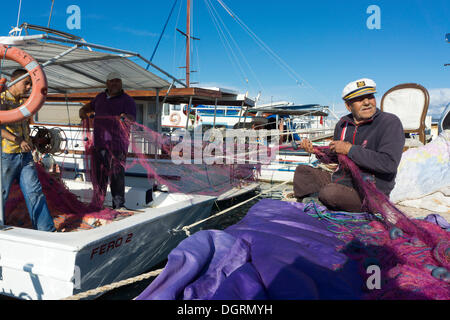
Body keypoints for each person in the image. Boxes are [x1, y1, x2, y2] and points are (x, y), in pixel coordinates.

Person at [293, 78, 405, 212]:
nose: (367, 102)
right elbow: (336, 157)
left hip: (370, 192)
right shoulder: (342, 124)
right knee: (302, 172)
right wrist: (315, 151)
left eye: (370, 96)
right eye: (359, 99)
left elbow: (388, 164)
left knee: (330, 193)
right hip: (341, 182)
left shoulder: (389, 122)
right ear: (348, 106)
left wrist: (350, 149)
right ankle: (319, 200)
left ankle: (319, 200)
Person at [0, 69, 56, 231]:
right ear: (15, 81)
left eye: (31, 83)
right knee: (2, 194)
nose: (30, 87)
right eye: (26, 83)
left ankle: (46, 230)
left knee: (35, 192)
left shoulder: (23, 103)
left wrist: (29, 140)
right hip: (6, 155)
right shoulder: (2, 99)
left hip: (25, 156)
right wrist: (18, 140)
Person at [79, 72, 136, 210]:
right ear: (107, 83)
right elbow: (88, 107)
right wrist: (83, 110)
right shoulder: (100, 97)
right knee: (99, 176)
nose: (115, 84)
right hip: (99, 144)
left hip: (117, 145)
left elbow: (132, 118)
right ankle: (98, 203)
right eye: (112, 81)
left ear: (121, 83)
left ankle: (118, 205)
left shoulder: (127, 100)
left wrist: (125, 117)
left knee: (116, 176)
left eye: (118, 81)